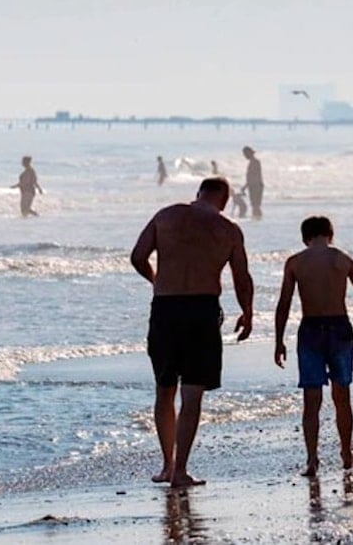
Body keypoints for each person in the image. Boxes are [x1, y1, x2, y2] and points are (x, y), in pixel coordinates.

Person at [129, 177, 254, 488]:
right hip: (202, 309)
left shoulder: (166, 215)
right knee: (192, 393)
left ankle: (166, 466)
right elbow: (242, 276)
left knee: (164, 388)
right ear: (224, 199)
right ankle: (182, 470)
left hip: (166, 308)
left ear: (198, 193)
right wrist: (248, 313)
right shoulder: (228, 230)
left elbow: (137, 257)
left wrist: (157, 279)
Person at [274, 215, 353, 477]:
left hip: (310, 330)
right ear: (331, 234)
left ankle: (312, 460)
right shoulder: (343, 259)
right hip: (339, 328)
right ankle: (346, 453)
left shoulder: (295, 262)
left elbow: (283, 304)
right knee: (342, 396)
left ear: (305, 238)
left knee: (311, 399)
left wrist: (279, 340)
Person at [241, 147, 264, 219]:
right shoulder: (253, 162)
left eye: (245, 154)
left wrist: (246, 186)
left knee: (255, 205)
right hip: (254, 185)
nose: (244, 156)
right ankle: (257, 218)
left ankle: (257, 218)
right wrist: (246, 185)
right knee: (255, 205)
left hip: (255, 185)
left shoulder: (255, 162)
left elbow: (254, 176)